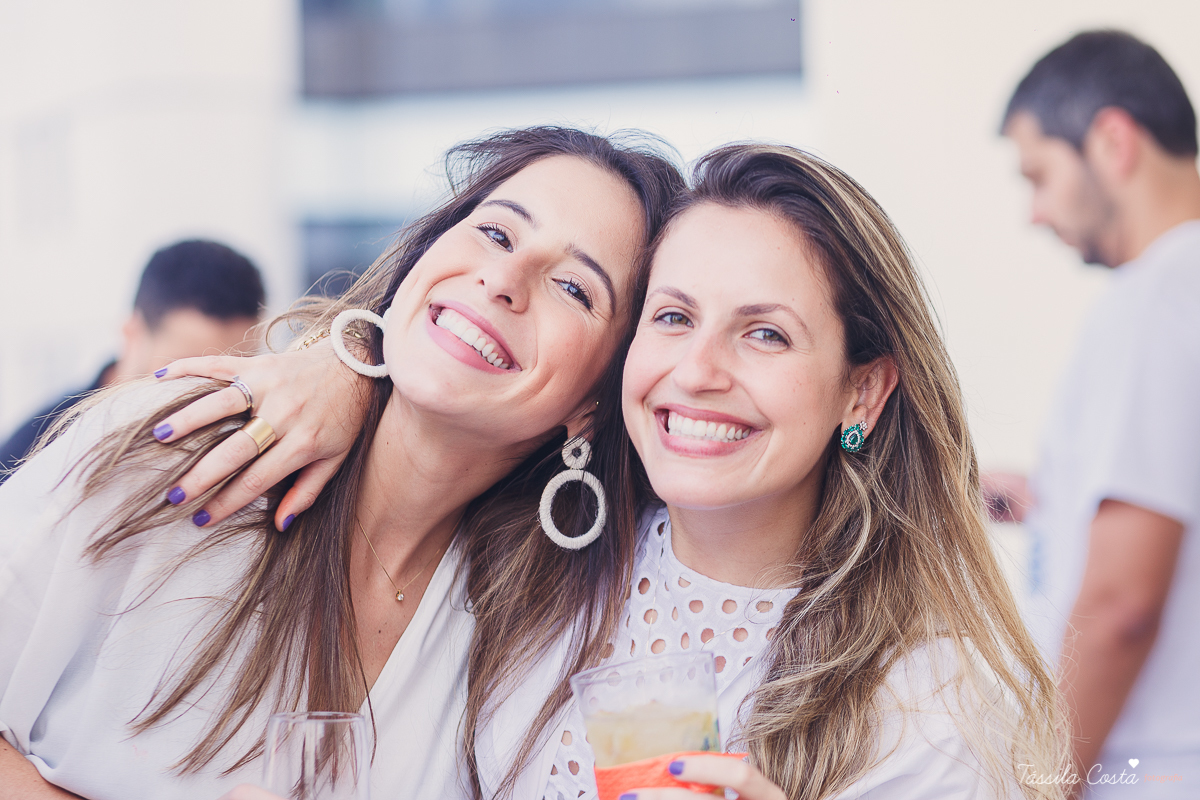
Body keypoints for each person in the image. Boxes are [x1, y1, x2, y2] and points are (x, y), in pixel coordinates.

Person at [150, 145, 1067, 800]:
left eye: (764, 333)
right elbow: (466, 374)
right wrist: (347, 365)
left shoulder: (927, 710)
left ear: (860, 392)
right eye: (671, 317)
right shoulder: (534, 547)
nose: (698, 370)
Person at [0, 126, 684, 800]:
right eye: (497, 233)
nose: (503, 278)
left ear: (596, 402)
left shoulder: (541, 634)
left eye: (574, 287)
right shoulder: (182, 445)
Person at [988, 30, 1200, 796]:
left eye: (1039, 174)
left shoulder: (1157, 301)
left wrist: (1042, 785)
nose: (1036, 213)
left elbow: (1122, 601)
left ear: (1112, 141)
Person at [0, 239, 265, 483]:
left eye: (233, 377)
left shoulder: (259, 434)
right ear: (132, 335)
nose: (215, 399)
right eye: (187, 373)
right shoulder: (33, 452)